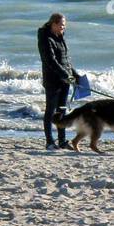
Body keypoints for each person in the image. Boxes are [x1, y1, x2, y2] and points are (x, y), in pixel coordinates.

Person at [37, 12, 79, 150]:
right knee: (50, 110)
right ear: (53, 24)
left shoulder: (60, 36)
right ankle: (49, 141)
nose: (63, 28)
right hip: (52, 80)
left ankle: (62, 141)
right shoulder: (45, 37)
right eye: (61, 25)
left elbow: (65, 60)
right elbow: (50, 60)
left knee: (62, 110)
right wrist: (65, 75)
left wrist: (75, 74)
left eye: (64, 25)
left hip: (64, 80)